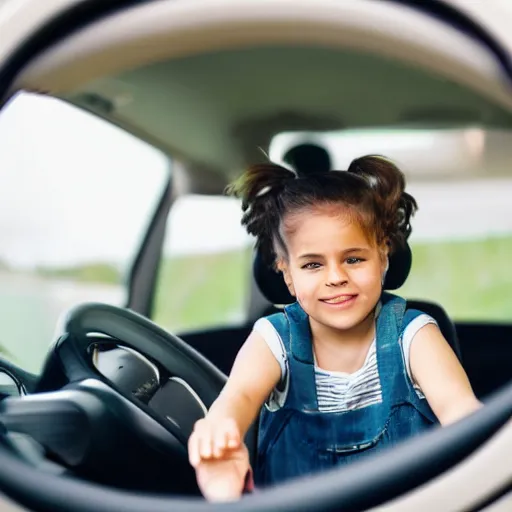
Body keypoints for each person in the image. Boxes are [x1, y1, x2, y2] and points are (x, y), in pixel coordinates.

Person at [188, 155, 481, 502]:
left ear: (383, 256)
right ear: (287, 275)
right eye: (313, 264)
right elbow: (239, 396)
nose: (336, 277)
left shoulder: (413, 335)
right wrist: (221, 430)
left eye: (353, 259)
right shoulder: (274, 340)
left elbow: (462, 415)